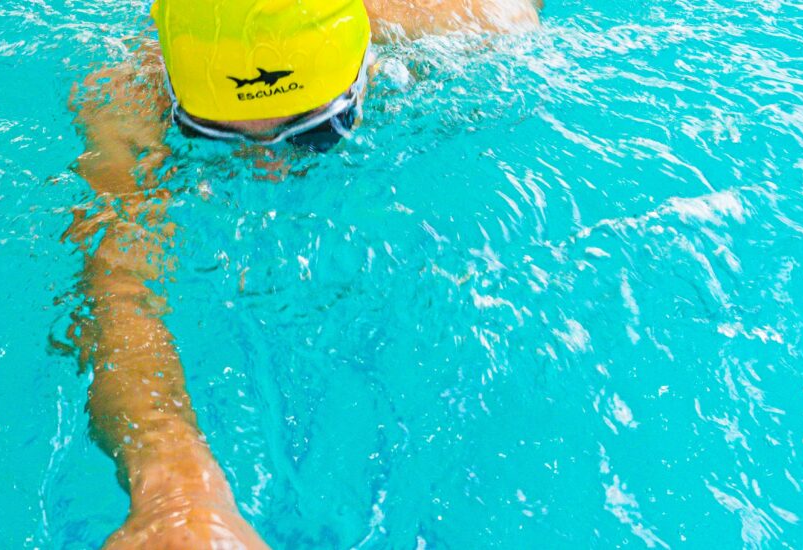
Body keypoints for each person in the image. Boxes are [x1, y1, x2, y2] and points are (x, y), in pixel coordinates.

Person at [65, 0, 540, 547]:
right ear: (172, 94)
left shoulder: (477, 22)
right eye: (213, 136)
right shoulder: (128, 91)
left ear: (364, 69)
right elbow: (118, 287)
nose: (270, 173)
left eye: (314, 132)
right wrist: (176, 485)